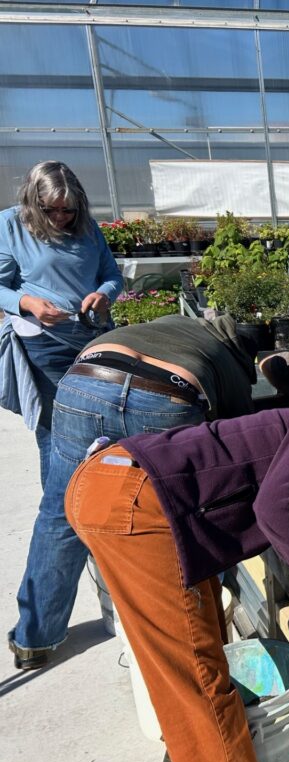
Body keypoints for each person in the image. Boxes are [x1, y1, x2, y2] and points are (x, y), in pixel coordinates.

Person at [65, 404, 289, 762]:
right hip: (136, 505)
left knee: (204, 646)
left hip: (119, 486)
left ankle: (193, 750)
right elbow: (277, 509)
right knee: (198, 679)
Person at [8, 313, 257, 669]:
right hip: (165, 399)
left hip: (86, 384)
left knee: (61, 511)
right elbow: (238, 439)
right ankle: (185, 633)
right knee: (179, 518)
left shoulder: (171, 325)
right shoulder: (226, 358)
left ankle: (34, 639)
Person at [0, 161, 123, 664]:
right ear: (34, 204)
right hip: (44, 350)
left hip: (90, 341)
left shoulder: (88, 228)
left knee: (92, 470)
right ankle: (37, 629)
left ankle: (83, 602)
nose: (63, 219)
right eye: (52, 212)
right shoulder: (10, 223)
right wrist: (28, 301)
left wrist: (102, 294)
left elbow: (111, 274)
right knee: (66, 486)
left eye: (70, 211)